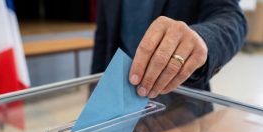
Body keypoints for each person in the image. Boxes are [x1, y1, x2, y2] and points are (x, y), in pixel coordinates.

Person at [91, 0, 247, 98]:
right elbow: (103, 36)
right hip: (118, 94)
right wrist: (94, 91)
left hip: (179, 101)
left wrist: (200, 38)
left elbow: (232, 17)